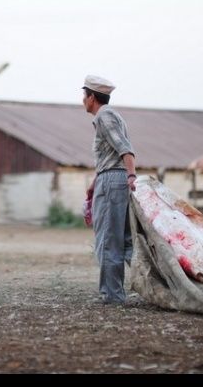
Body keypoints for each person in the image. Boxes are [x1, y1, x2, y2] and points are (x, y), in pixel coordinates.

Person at [82, 75, 137, 305]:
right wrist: (94, 184)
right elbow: (112, 155)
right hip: (113, 178)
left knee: (108, 240)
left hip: (113, 181)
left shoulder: (104, 115)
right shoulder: (111, 116)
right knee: (126, 242)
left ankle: (112, 296)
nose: (82, 101)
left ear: (92, 97)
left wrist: (131, 174)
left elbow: (125, 149)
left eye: (84, 95)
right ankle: (159, 284)